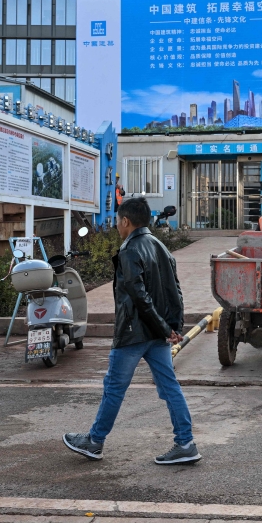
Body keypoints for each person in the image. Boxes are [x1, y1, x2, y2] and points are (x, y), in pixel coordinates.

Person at [63, 197, 201, 465]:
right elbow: (176, 291)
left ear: (125, 221)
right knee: (169, 386)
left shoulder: (129, 250)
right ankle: (186, 443)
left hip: (133, 332)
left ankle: (95, 441)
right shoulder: (161, 247)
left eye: (117, 220)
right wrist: (173, 327)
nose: (116, 226)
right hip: (156, 334)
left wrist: (165, 327)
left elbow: (138, 295)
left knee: (114, 387)